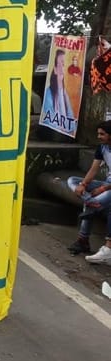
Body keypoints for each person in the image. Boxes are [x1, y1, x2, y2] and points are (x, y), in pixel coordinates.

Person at [66, 120, 111, 264]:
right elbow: (93, 169)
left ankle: (83, 240)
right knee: (72, 180)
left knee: (93, 202)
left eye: (102, 134)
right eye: (98, 134)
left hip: (108, 188)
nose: (99, 137)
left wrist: (103, 189)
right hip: (106, 184)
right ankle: (91, 202)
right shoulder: (102, 148)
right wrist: (83, 185)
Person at [42, 49, 74, 122]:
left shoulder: (65, 94)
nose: (64, 68)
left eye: (65, 65)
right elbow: (49, 121)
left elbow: (71, 122)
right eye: (62, 64)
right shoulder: (48, 93)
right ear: (55, 69)